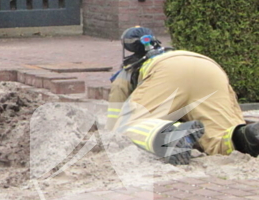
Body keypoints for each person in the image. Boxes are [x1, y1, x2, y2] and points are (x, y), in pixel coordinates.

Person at [108, 26, 259, 164]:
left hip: (167, 73)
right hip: (209, 68)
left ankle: (171, 135)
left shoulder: (128, 71)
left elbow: (116, 120)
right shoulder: (170, 52)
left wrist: (114, 131)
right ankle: (247, 137)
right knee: (218, 138)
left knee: (129, 126)